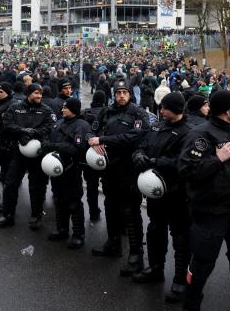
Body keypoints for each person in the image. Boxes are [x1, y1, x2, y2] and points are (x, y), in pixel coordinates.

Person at [178, 90, 230, 311]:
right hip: (211, 212)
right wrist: (217, 159)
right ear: (226, 110)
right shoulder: (201, 134)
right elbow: (186, 170)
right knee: (201, 264)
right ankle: (191, 303)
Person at [131, 92, 192, 304]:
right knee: (155, 229)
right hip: (154, 190)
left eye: (165, 107)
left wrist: (156, 161)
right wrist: (139, 156)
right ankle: (156, 268)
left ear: (175, 109)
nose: (161, 110)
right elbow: (142, 144)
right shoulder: (158, 125)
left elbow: (183, 162)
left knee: (181, 237)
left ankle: (180, 279)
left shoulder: (189, 132)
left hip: (177, 193)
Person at [87, 79, 150, 277]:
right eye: (118, 92)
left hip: (129, 168)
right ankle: (113, 243)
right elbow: (93, 129)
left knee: (131, 211)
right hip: (109, 167)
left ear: (130, 94)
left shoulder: (138, 113)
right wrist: (92, 140)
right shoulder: (107, 111)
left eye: (125, 92)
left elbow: (135, 137)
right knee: (110, 205)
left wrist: (103, 140)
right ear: (113, 94)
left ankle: (135, 255)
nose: (121, 95)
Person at [0, 83, 55, 230]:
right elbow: (7, 124)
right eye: (36, 93)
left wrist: (34, 133)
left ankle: (36, 216)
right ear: (29, 93)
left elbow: (50, 127)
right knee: (10, 184)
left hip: (37, 154)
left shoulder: (46, 110)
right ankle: (8, 215)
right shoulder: (15, 107)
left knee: (37, 186)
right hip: (18, 153)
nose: (39, 96)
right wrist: (21, 132)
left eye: (40, 93)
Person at [41, 97, 91, 248]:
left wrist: (53, 146)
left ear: (74, 109)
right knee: (58, 199)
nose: (62, 110)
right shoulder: (59, 122)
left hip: (71, 169)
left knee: (74, 202)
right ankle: (61, 228)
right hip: (55, 168)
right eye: (63, 107)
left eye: (66, 108)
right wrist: (49, 145)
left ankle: (78, 234)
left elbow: (76, 148)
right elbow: (48, 140)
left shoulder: (82, 125)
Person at [80, 90, 108, 221]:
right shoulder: (107, 112)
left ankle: (93, 212)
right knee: (108, 187)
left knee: (91, 186)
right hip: (105, 153)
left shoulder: (85, 112)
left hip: (88, 155)